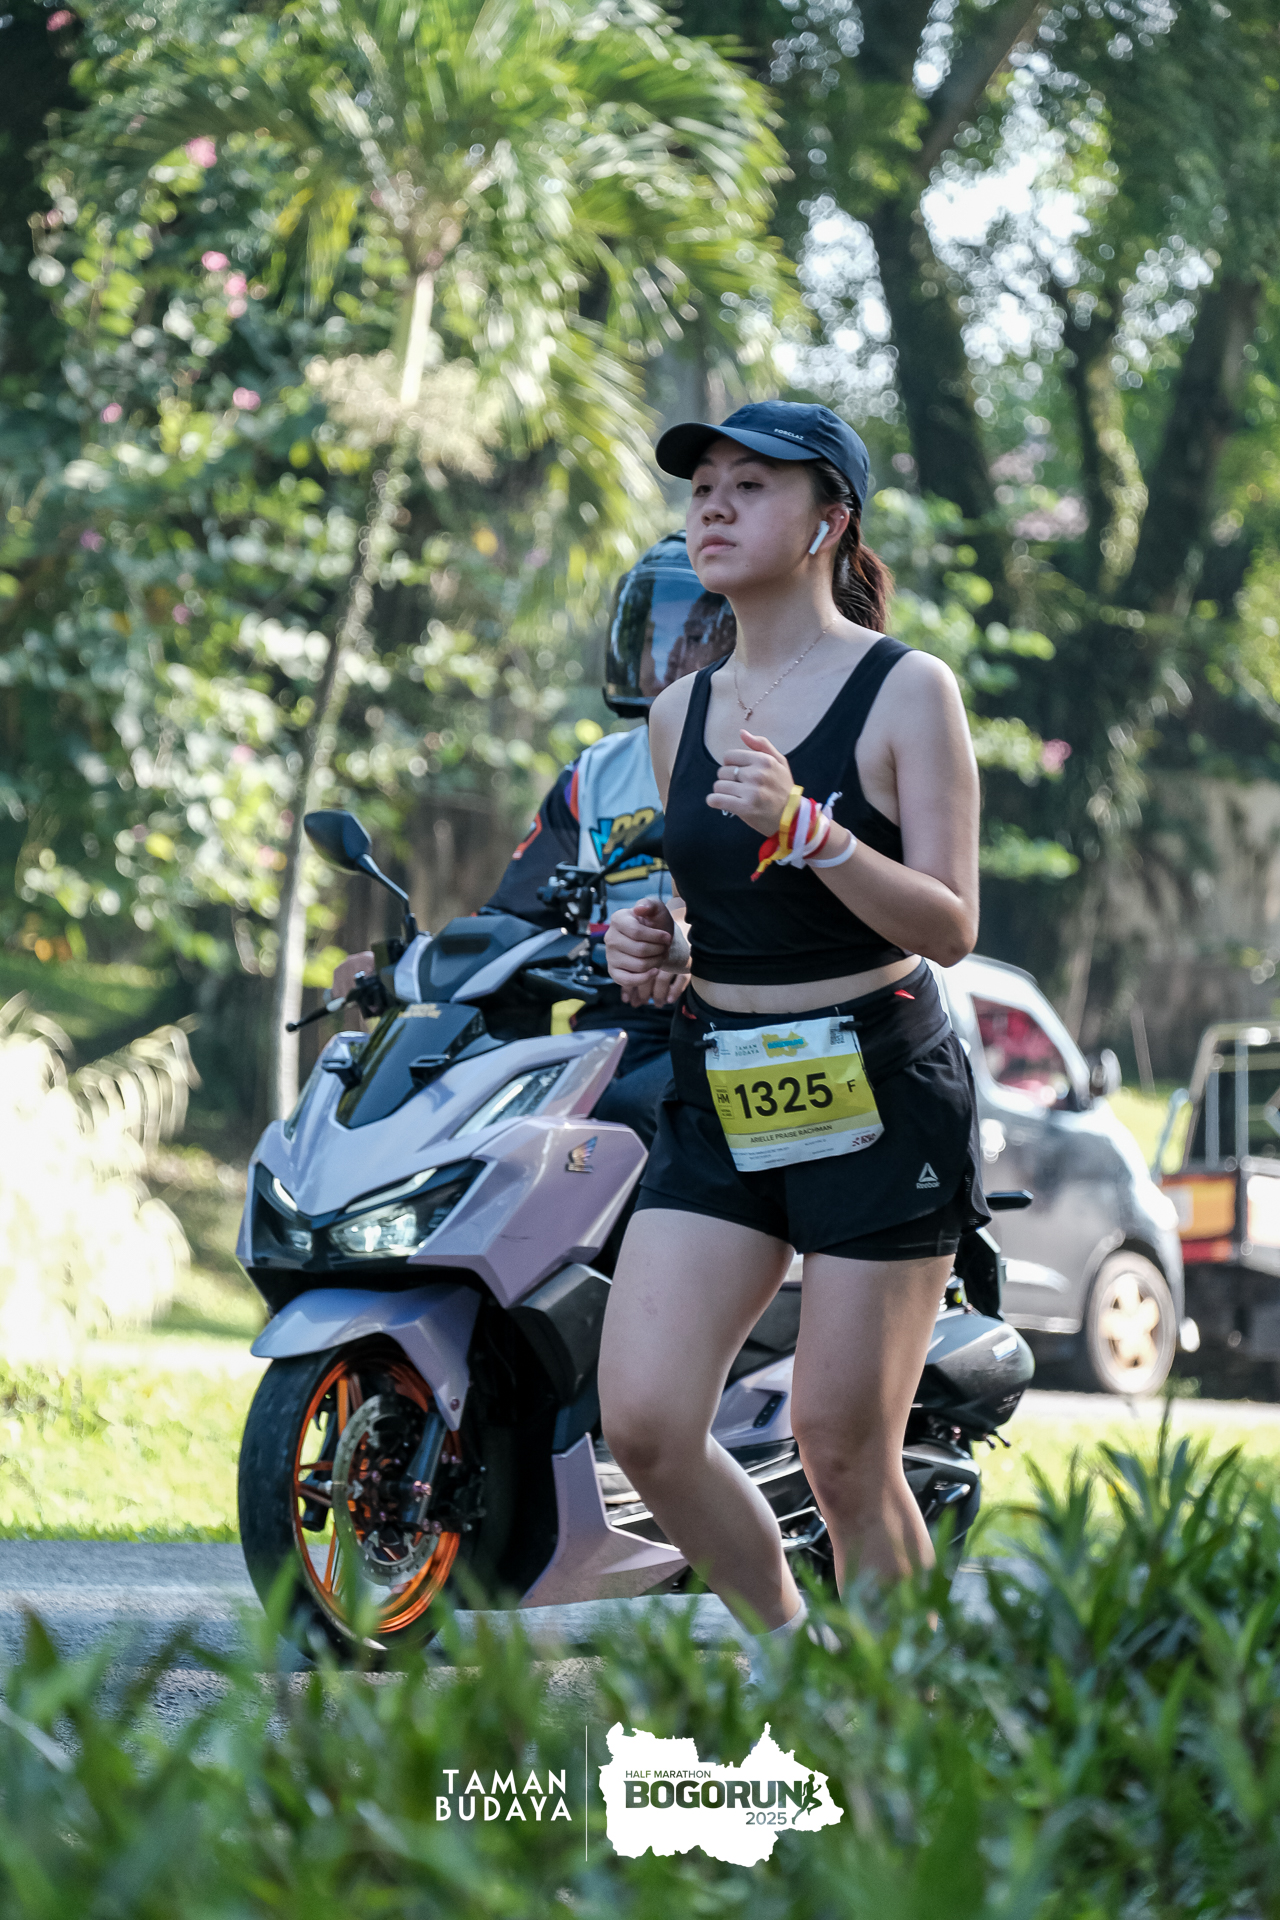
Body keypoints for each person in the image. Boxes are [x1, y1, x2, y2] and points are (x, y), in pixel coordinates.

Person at [597, 400, 986, 1671]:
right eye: (700, 485)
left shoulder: (905, 690)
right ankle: (791, 1654)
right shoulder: (678, 710)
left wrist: (812, 831)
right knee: (646, 1421)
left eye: (749, 484)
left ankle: (905, 1721)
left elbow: (949, 923)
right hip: (722, 1085)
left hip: (878, 1086)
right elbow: (715, 905)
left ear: (828, 522)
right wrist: (661, 944)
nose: (711, 505)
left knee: (842, 1447)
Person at [329, 534, 735, 1147]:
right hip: (610, 1028)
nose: (671, 652)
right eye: (656, 631)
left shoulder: (765, 756)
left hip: (723, 1019)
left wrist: (693, 948)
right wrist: (406, 965)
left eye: (695, 633)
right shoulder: (595, 773)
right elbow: (517, 915)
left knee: (623, 1116)